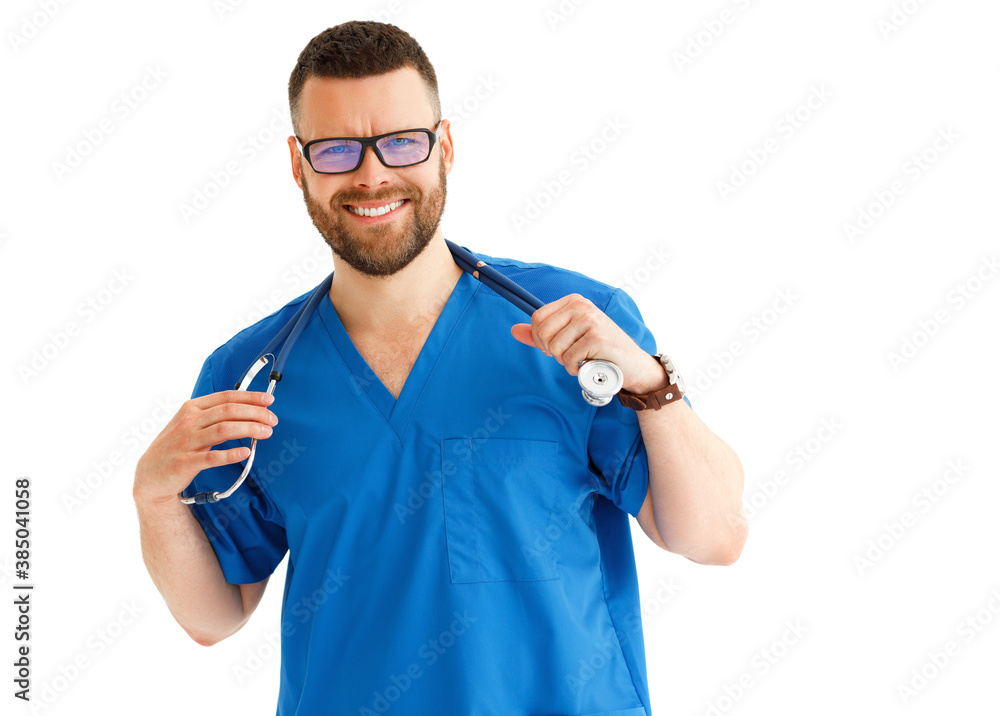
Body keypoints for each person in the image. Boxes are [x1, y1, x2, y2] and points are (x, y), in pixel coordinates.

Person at [132, 20, 747, 716]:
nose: (372, 175)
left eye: (400, 142)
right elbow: (216, 614)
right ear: (299, 165)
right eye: (335, 149)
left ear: (444, 147)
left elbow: (715, 536)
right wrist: (154, 502)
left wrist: (650, 387)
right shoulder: (250, 374)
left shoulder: (580, 328)